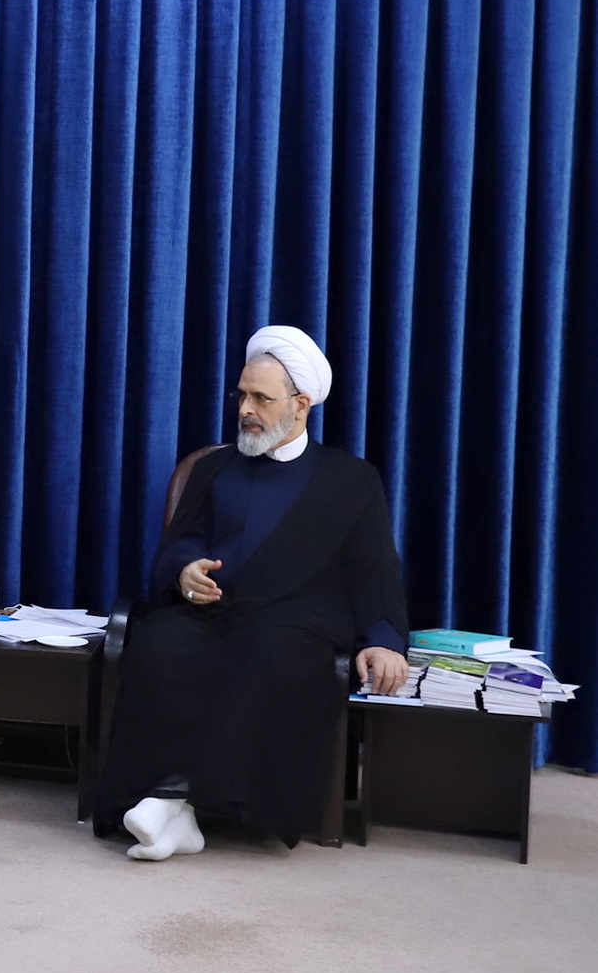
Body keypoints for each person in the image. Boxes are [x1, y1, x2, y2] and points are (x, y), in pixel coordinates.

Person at [95, 326, 411, 859]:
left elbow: (374, 569)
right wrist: (184, 571)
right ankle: (173, 806)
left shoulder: (351, 480)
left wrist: (383, 639)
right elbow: (182, 540)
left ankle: (178, 802)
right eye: (243, 394)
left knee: (270, 655)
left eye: (261, 398)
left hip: (294, 619)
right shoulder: (215, 467)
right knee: (158, 644)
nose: (245, 408)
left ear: (301, 404)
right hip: (211, 611)